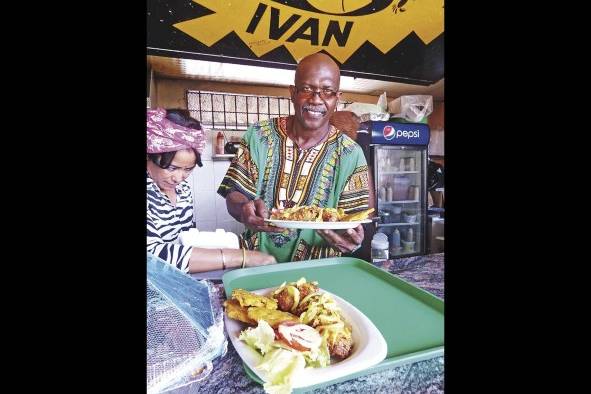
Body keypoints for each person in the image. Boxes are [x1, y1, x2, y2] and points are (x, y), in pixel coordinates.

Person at [217, 52, 370, 262]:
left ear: (337, 98)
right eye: (307, 89)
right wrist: (243, 209)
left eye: (327, 91)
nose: (316, 99)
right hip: (255, 264)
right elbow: (234, 194)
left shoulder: (351, 154)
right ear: (292, 92)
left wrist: (350, 238)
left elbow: (355, 219)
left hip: (318, 273)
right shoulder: (259, 136)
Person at [146, 108, 276, 273]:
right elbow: (152, 257)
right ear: (150, 156)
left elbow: (186, 239)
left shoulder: (182, 190)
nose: (179, 178)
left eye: (188, 169)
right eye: (172, 168)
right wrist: (240, 257)